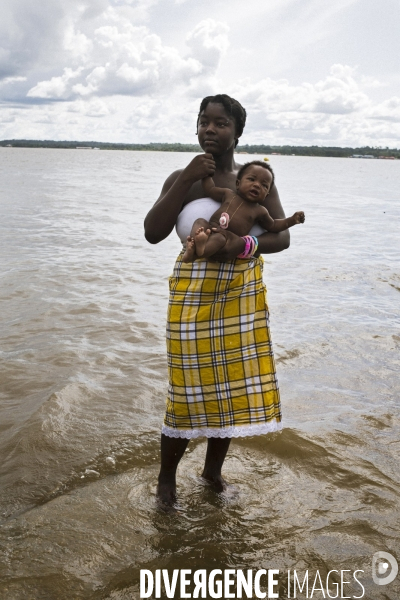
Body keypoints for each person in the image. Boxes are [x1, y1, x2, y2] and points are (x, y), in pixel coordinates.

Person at [144, 94, 291, 506]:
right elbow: (153, 231)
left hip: (238, 293)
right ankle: (166, 482)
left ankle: (212, 475)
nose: (210, 129)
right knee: (186, 389)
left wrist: (242, 246)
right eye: (204, 122)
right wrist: (186, 176)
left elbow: (280, 236)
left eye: (221, 123)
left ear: (237, 131)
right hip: (192, 296)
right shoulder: (183, 176)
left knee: (229, 388)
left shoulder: (253, 180)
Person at [182, 160, 305, 263]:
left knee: (218, 239)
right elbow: (210, 188)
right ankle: (194, 245)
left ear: (267, 195)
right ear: (237, 183)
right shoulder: (228, 194)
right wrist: (206, 175)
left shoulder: (260, 211)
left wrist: (292, 220)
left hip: (225, 237)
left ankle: (196, 254)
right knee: (200, 222)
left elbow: (273, 225)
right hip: (211, 228)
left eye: (264, 185)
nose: (257, 185)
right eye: (251, 179)